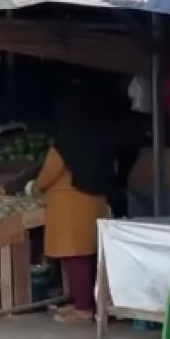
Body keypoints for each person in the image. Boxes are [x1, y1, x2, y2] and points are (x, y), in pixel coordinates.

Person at [36, 95, 113, 323]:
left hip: (71, 208)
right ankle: (86, 303)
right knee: (89, 257)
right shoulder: (99, 139)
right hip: (95, 204)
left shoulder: (64, 143)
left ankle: (83, 309)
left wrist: (35, 187)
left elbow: (49, 174)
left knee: (76, 259)